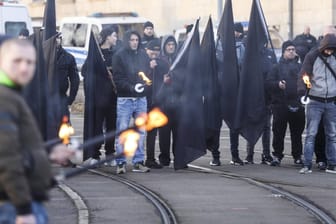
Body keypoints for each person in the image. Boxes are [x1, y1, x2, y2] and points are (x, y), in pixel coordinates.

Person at [0, 38, 74, 224]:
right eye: (17, 61)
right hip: (13, 205)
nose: (24, 68)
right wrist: (23, 209)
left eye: (30, 62)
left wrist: (47, 153)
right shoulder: (5, 98)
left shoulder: (13, 94)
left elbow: (19, 147)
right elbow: (7, 159)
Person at [112, 30, 151, 174]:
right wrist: (131, 87)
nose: (135, 42)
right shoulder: (119, 56)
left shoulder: (142, 54)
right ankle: (121, 162)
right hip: (125, 98)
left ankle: (138, 161)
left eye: (137, 40)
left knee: (141, 131)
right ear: (127, 40)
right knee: (122, 130)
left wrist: (144, 85)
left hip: (141, 98)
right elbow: (118, 78)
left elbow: (146, 73)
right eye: (132, 40)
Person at [298, 34, 336, 174]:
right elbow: (304, 75)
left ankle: (332, 164)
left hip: (331, 100)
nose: (329, 52)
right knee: (311, 134)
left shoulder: (334, 56)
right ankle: (307, 164)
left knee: (332, 135)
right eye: (328, 49)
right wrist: (303, 90)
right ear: (323, 47)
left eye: (332, 50)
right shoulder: (312, 56)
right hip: (315, 100)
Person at [82, 27, 118, 165]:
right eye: (114, 36)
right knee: (97, 127)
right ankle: (95, 154)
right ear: (107, 37)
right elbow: (86, 71)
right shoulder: (95, 54)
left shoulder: (116, 54)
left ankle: (110, 153)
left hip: (113, 96)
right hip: (99, 97)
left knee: (112, 127)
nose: (116, 38)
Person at [266, 40, 305, 166]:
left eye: (293, 49)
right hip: (280, 104)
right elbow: (268, 84)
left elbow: (307, 80)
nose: (292, 51)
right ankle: (277, 155)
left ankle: (297, 156)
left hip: (297, 104)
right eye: (289, 49)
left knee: (297, 133)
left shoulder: (300, 67)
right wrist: (278, 84)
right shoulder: (276, 68)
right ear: (283, 52)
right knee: (278, 132)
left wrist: (306, 88)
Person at [144, 39, 170, 169]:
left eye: (157, 50)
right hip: (145, 100)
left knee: (157, 130)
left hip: (159, 100)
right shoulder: (143, 61)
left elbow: (168, 73)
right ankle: (145, 158)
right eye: (152, 50)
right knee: (147, 131)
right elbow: (139, 78)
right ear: (147, 50)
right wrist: (149, 68)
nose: (154, 52)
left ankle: (156, 158)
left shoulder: (163, 62)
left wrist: (166, 81)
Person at [157, 35, 178, 166]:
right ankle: (164, 158)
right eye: (169, 44)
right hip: (163, 102)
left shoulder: (178, 59)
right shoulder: (159, 61)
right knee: (164, 133)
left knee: (178, 133)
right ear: (164, 46)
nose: (171, 47)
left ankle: (178, 156)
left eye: (173, 45)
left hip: (177, 102)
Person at [55, 33, 79, 121]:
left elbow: (75, 79)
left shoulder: (68, 58)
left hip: (61, 98)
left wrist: (71, 98)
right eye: (54, 38)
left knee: (64, 127)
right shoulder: (41, 57)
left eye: (58, 38)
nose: (56, 40)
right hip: (45, 99)